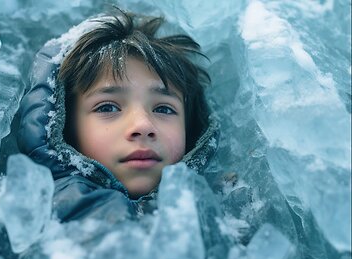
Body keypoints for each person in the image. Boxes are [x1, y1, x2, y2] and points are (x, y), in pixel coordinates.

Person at [17, 8, 219, 223]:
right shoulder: (36, 217)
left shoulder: (217, 215)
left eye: (163, 109)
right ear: (63, 128)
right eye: (107, 107)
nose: (142, 125)